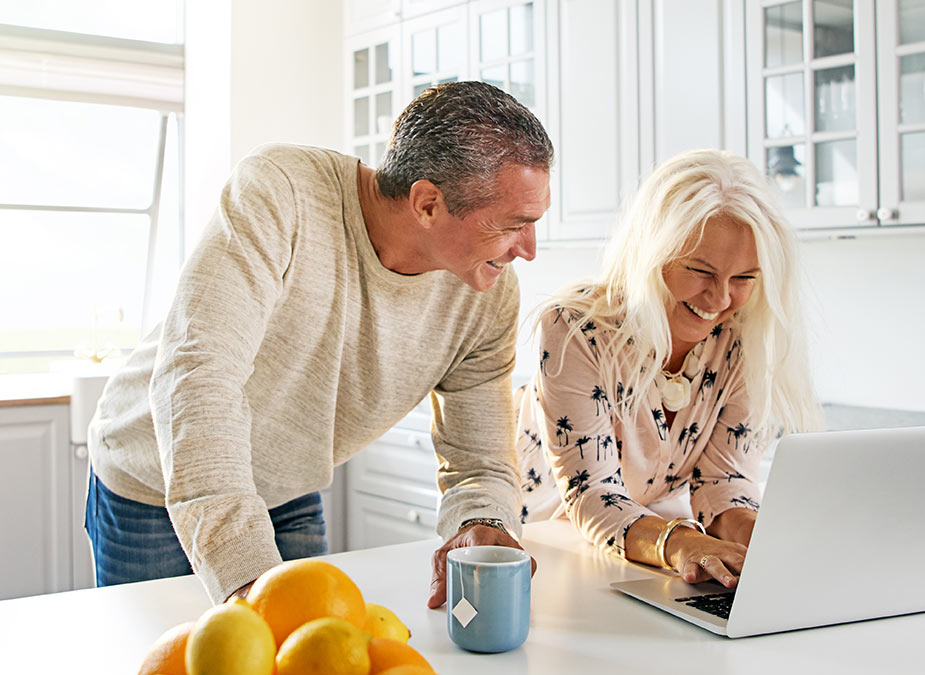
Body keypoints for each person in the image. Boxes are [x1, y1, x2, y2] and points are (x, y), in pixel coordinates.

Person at [86, 81, 552, 607]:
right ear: (427, 203)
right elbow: (199, 374)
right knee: (172, 673)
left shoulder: (485, 293)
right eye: (516, 225)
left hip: (287, 488)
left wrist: (483, 519)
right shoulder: (281, 192)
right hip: (157, 482)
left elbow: (479, 455)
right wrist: (247, 576)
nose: (530, 250)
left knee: (307, 673)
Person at [515, 149, 820, 586]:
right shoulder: (577, 328)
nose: (719, 300)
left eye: (744, 279)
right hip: (544, 543)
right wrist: (682, 544)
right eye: (701, 271)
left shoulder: (742, 339)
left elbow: (724, 481)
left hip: (641, 544)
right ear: (650, 255)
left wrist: (767, 544)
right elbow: (593, 494)